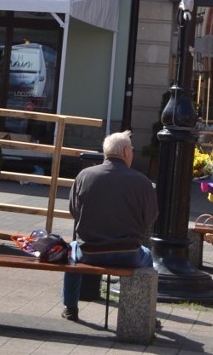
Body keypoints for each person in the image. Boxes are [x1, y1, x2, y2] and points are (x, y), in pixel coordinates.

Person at [62, 130, 157, 322]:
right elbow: (150, 218)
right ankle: (145, 313)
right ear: (125, 153)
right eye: (131, 150)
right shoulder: (142, 181)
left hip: (89, 251)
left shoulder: (84, 175)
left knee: (71, 252)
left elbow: (74, 210)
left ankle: (71, 307)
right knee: (148, 257)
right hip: (128, 252)